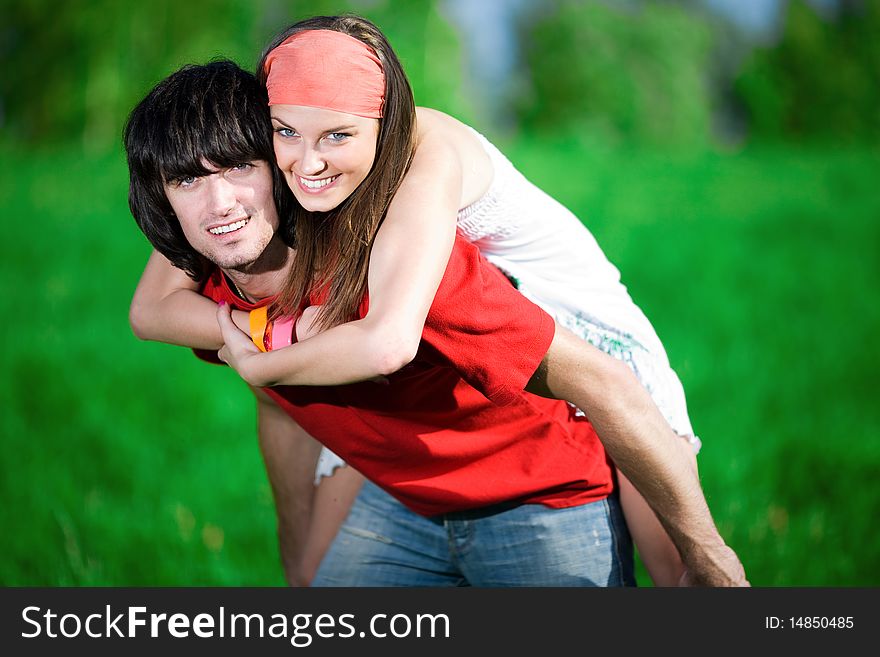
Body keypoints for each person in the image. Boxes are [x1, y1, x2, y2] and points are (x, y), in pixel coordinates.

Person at [125, 59, 747, 586]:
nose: (219, 204)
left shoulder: (408, 265)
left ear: (284, 165)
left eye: (239, 167)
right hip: (399, 501)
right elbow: (277, 403)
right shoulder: (211, 287)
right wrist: (300, 568)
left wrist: (709, 552)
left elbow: (604, 381)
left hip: (540, 495)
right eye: (187, 179)